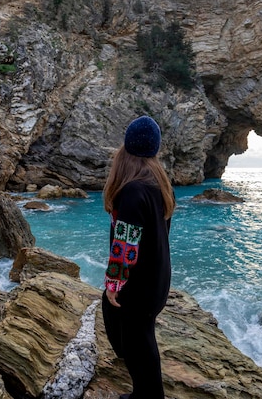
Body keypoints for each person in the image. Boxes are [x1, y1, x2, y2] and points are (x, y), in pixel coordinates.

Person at [102, 115, 175, 399]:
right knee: (134, 335)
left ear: (126, 149)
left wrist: (114, 284)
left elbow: (125, 248)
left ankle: (147, 396)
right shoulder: (159, 183)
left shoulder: (133, 191)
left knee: (140, 344)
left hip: (139, 284)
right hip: (156, 277)